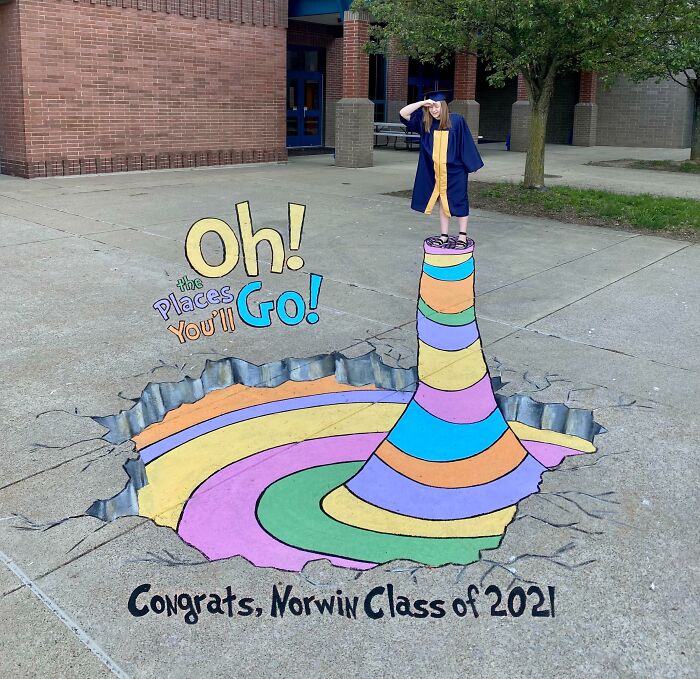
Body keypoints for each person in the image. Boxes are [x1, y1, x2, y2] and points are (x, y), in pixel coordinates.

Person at [399, 92, 483, 249]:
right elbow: (403, 113)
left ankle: (462, 236)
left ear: (444, 106)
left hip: (456, 171)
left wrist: (471, 164)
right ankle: (444, 235)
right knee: (442, 202)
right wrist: (422, 103)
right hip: (434, 170)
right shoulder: (426, 123)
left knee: (459, 200)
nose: (433, 110)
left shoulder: (456, 120)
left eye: (436, 106)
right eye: (430, 107)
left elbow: (465, 142)